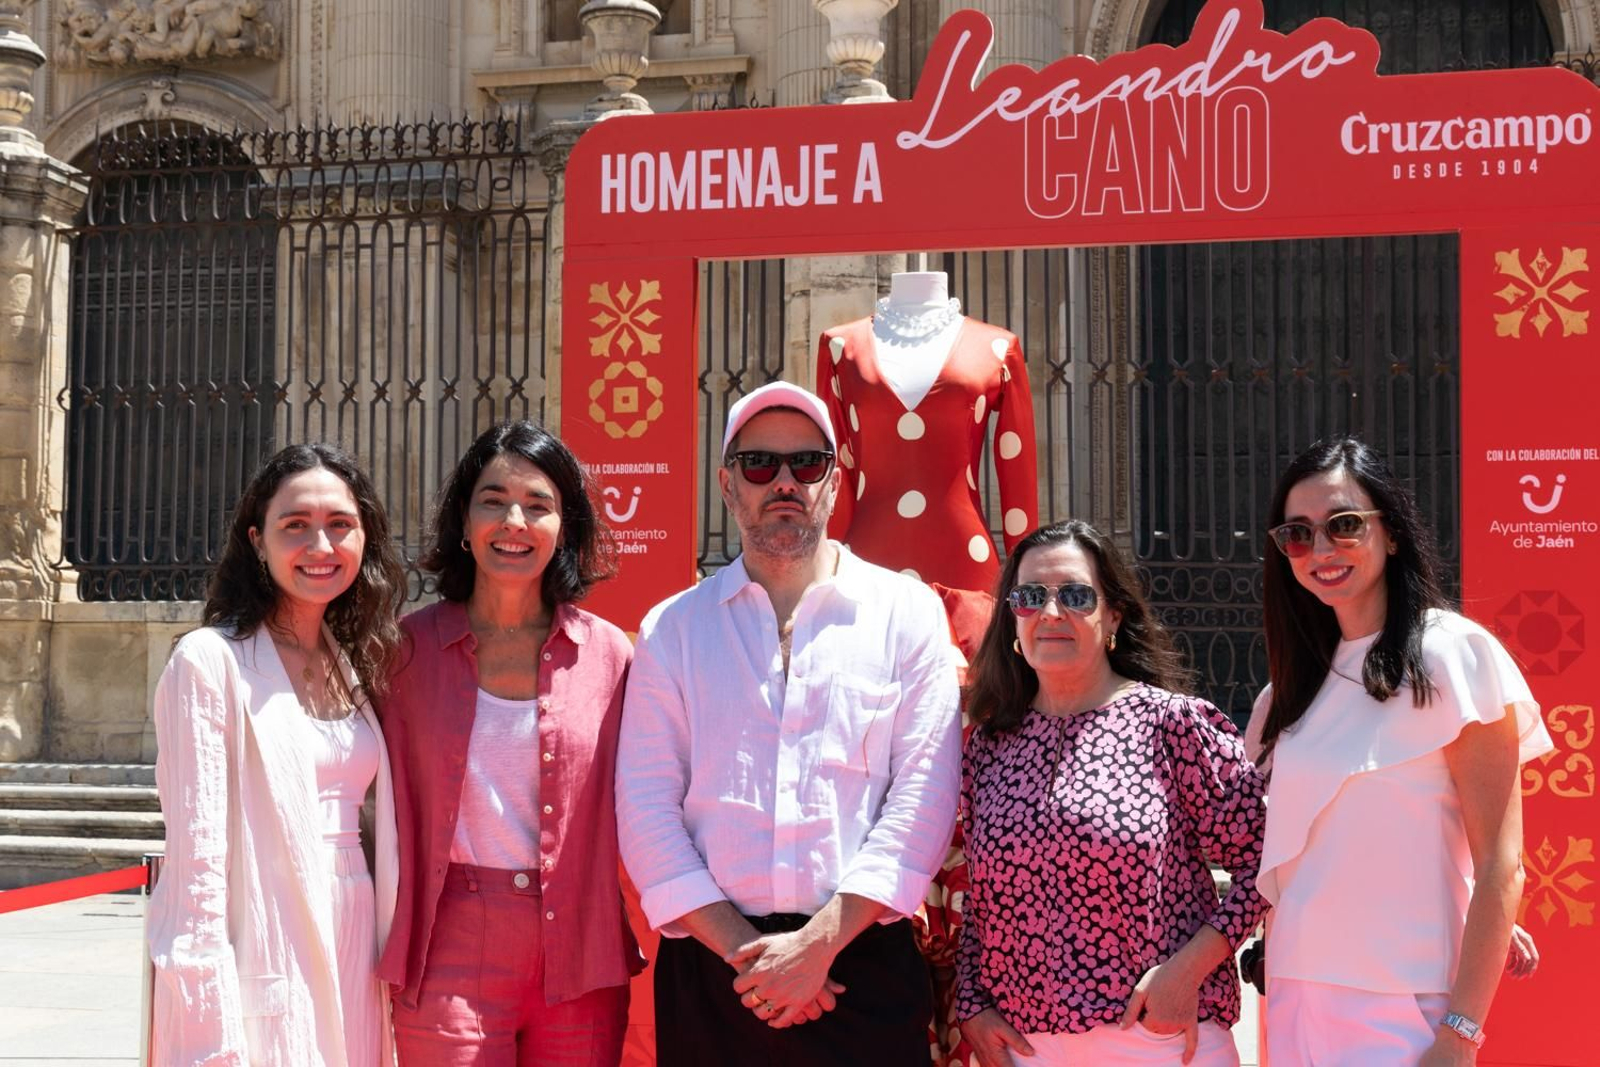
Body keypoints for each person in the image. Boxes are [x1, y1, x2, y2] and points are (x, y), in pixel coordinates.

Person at [616, 380, 963, 1066]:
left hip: (858, 964)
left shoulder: (906, 614)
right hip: (716, 973)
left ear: (835, 484)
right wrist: (753, 956)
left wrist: (817, 946)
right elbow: (646, 810)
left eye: (806, 464)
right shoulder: (674, 629)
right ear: (727, 483)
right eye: (759, 464)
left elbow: (923, 798)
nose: (783, 482)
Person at [1253, 437, 1553, 1065]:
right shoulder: (1285, 695)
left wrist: (1460, 1034)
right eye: (1298, 535)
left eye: (1343, 526)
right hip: (1294, 999)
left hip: (1406, 1008)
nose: (1321, 551)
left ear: (1390, 534)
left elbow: (1502, 862)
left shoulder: (1453, 656)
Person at [957, 519, 1267, 1067]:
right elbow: (981, 902)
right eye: (1030, 597)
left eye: (1075, 596)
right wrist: (971, 1003)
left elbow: (1266, 860)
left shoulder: (1173, 725)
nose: (1051, 614)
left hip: (1156, 1038)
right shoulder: (991, 745)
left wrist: (1186, 973)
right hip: (1028, 1048)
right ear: (1013, 617)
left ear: (1113, 616)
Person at [378, 420, 640, 1065]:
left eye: (539, 505)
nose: (514, 521)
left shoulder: (611, 654)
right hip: (449, 945)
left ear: (566, 527)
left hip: (580, 951)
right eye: (492, 501)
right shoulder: (404, 652)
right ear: (464, 524)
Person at [147, 443, 408, 1066]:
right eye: (296, 526)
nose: (321, 545)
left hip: (356, 940)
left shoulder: (353, 663)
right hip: (267, 947)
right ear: (258, 540)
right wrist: (208, 1025)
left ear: (364, 537)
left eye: (340, 524)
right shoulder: (211, 661)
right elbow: (197, 870)